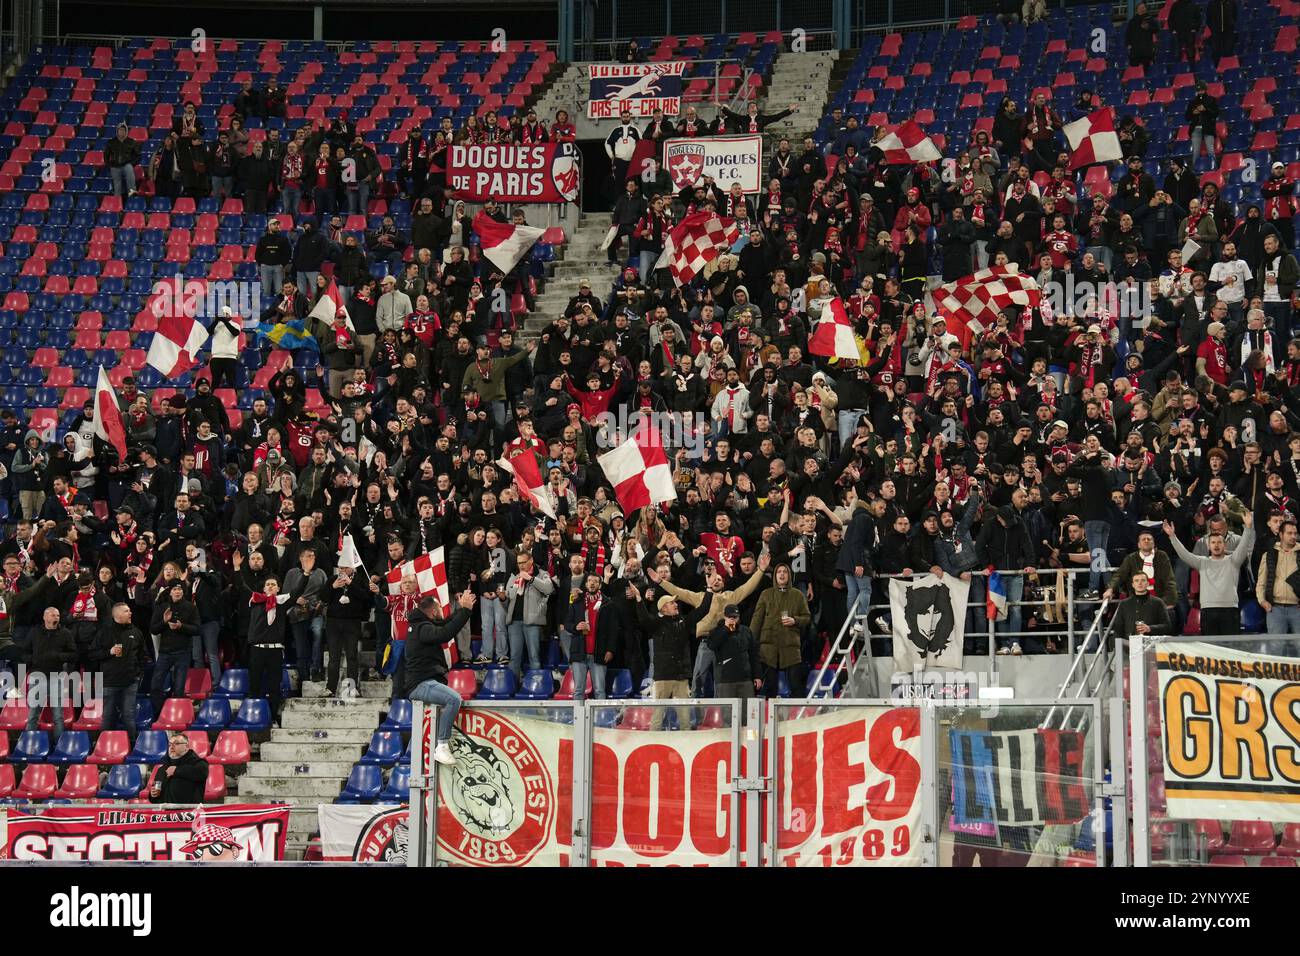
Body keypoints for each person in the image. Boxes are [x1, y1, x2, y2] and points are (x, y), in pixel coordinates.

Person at [404, 590, 477, 767]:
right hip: (421, 684)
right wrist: (465, 611)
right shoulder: (423, 628)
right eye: (440, 609)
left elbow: (444, 624)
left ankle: (414, 751)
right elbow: (444, 633)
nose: (442, 613)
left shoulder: (420, 625)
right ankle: (442, 746)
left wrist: (462, 610)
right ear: (434, 611)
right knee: (453, 699)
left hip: (422, 682)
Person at [1165, 513, 1255, 635]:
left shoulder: (1234, 561)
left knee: (1231, 648)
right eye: (1213, 542)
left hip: (1230, 610)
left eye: (1219, 542)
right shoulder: (1202, 562)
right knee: (1211, 649)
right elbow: (1184, 555)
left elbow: (1243, 546)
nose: (1216, 545)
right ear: (1208, 545)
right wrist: (1172, 536)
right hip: (1208, 610)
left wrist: (1248, 529)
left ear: (1225, 545)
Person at [750, 563, 811, 697]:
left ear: (789, 575)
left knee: (796, 687)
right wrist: (750, 642)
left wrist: (795, 620)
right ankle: (767, 717)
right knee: (770, 688)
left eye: (785, 572)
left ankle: (798, 717)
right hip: (768, 649)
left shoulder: (798, 595)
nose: (782, 574)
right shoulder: (766, 594)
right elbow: (756, 620)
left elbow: (807, 618)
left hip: (791, 647)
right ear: (775, 576)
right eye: (779, 572)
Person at [93, 601, 146, 736]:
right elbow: (92, 653)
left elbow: (143, 656)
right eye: (126, 611)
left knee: (129, 716)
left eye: (129, 611)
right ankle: (104, 744)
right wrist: (109, 652)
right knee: (108, 717)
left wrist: (138, 674)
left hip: (130, 682)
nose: (130, 613)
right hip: (109, 682)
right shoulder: (104, 632)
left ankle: (131, 745)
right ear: (117, 615)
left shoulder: (136, 632)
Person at [1257, 518, 1300, 652]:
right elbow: (1261, 583)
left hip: (1297, 610)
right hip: (1275, 609)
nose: (1293, 536)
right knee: (1276, 649)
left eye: (1295, 533)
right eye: (1289, 533)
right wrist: (1263, 601)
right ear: (1281, 535)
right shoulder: (1269, 555)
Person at [706, 605, 763, 699]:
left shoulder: (746, 631)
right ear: (724, 617)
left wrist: (757, 676)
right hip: (725, 680)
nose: (733, 620)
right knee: (727, 712)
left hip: (745, 680)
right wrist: (725, 629)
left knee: (747, 711)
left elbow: (754, 655)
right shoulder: (716, 631)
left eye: (735, 617)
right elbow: (712, 645)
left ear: (739, 617)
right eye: (730, 617)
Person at [1109, 571, 1173, 641]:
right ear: (1133, 585)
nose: (1140, 583)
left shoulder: (1158, 602)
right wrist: (1118, 649)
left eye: (1143, 580)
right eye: (1136, 581)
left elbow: (1167, 627)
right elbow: (1118, 630)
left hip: (1152, 646)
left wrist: (1150, 628)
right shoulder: (1124, 604)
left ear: (1147, 584)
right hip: (1129, 647)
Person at [149, 731, 210, 804]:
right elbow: (154, 799)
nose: (172, 747)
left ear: (186, 747)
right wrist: (153, 795)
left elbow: (202, 772)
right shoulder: (162, 769)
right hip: (166, 813)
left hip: (188, 813)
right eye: (170, 744)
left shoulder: (197, 763)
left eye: (176, 743)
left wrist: (176, 771)